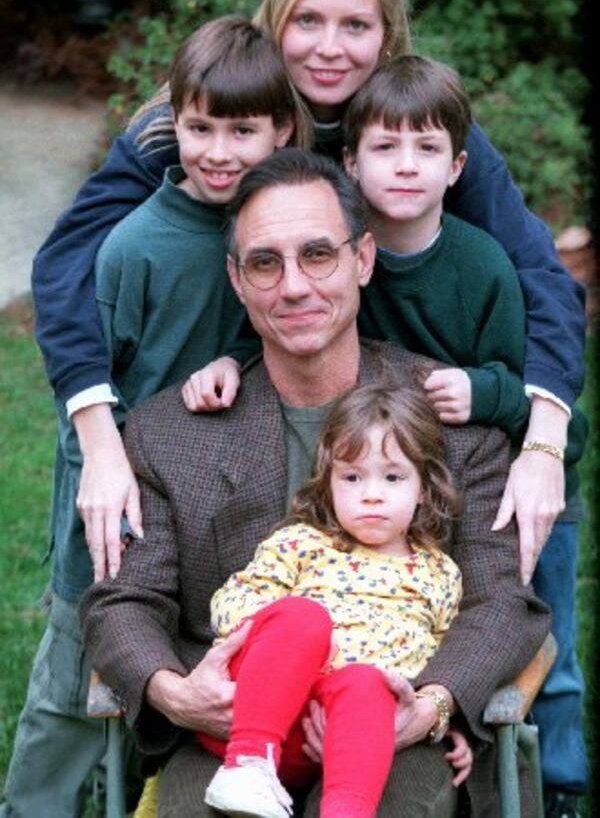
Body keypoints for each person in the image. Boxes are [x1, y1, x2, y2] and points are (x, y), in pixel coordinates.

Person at [23, 0, 585, 813]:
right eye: (309, 21)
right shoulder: (195, 115)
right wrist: (104, 430)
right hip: (198, 395)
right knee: (88, 591)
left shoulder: (409, 129)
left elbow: (542, 282)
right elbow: (62, 266)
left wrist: (544, 434)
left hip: (411, 402)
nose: (329, 47)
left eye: (355, 25)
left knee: (523, 542)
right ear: (276, 19)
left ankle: (554, 771)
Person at [81, 148, 550, 818]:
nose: (294, 286)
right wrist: (172, 690)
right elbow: (123, 598)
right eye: (266, 262)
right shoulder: (167, 433)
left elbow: (503, 600)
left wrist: (431, 706)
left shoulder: (450, 418)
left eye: (318, 254)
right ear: (237, 280)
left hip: (394, 716)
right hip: (227, 728)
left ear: (363, 259)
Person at [187, 53, 590, 816]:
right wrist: (236, 363)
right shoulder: (331, 239)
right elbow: (300, 324)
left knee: (550, 641)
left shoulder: (483, 263)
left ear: (458, 165)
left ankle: (559, 784)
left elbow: (520, 369)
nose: (405, 167)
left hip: (498, 452)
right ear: (351, 158)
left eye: (426, 149)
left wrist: (491, 396)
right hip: (384, 437)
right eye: (385, 147)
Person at [0, 16, 302, 818]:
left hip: (222, 514)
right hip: (118, 507)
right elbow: (86, 392)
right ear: (174, 127)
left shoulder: (274, 234)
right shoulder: (132, 246)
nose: (219, 151)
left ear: (282, 130)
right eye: (200, 128)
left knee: (170, 682)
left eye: (243, 131)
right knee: (73, 685)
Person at [201, 382, 472, 818]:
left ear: (423, 487)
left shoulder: (439, 574)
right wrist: (299, 647)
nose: (371, 493)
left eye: (393, 477)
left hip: (353, 738)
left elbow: (441, 657)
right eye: (352, 477)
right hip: (260, 713)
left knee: (368, 683)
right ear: (328, 483)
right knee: (302, 618)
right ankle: (248, 768)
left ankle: (345, 811)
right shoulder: (301, 543)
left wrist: (443, 723)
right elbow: (234, 605)